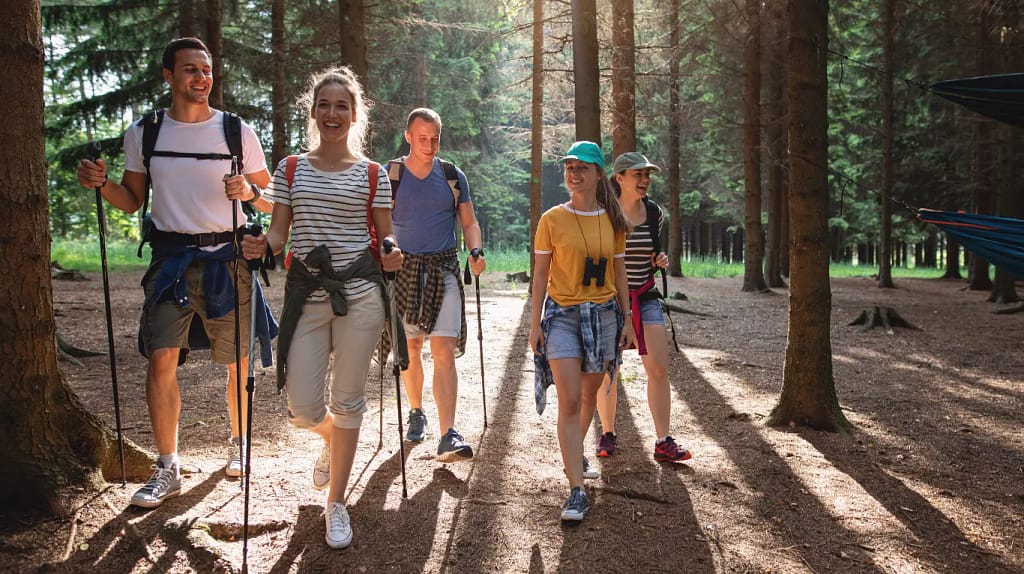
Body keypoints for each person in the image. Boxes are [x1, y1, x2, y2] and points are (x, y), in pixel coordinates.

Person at [76, 37, 273, 509]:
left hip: (228, 261)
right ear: (168, 76)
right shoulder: (146, 132)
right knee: (161, 358)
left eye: (205, 70)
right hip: (171, 262)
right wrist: (103, 186)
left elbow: (273, 201)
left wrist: (247, 192)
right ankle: (168, 466)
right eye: (189, 70)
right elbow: (131, 198)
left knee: (238, 363)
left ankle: (239, 446)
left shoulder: (236, 132)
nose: (200, 78)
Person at [241, 66, 403, 549]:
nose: (333, 113)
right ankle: (331, 440)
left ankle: (337, 504)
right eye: (325, 105)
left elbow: (385, 231)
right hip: (307, 294)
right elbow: (277, 233)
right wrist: (260, 247)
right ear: (314, 112)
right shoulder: (292, 168)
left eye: (342, 106)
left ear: (355, 116)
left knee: (348, 398)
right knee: (302, 407)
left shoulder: (373, 173)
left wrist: (392, 249)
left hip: (360, 294)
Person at [530, 141, 636, 522]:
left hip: (604, 315)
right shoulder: (552, 219)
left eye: (582, 168)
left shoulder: (613, 220)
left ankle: (577, 455)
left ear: (597, 174)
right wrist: (534, 324)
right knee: (570, 400)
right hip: (562, 316)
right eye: (569, 167)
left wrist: (626, 318)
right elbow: (541, 274)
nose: (574, 174)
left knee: (590, 394)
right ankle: (576, 489)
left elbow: (619, 272)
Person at [388, 108, 485, 462]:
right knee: (411, 348)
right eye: (422, 138)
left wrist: (475, 250)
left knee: (443, 350)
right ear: (408, 136)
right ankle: (417, 410)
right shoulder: (391, 175)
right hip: (405, 270)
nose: (429, 146)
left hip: (444, 267)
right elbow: (377, 221)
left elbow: (470, 222)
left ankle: (448, 434)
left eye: (435, 139)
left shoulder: (451, 176)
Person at [593, 153, 692, 463]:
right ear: (619, 178)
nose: (645, 180)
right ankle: (608, 433)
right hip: (610, 300)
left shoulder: (653, 212)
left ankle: (663, 441)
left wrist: (658, 260)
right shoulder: (604, 212)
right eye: (638, 174)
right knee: (610, 371)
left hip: (646, 296)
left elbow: (653, 252)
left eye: (647, 174)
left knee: (659, 369)